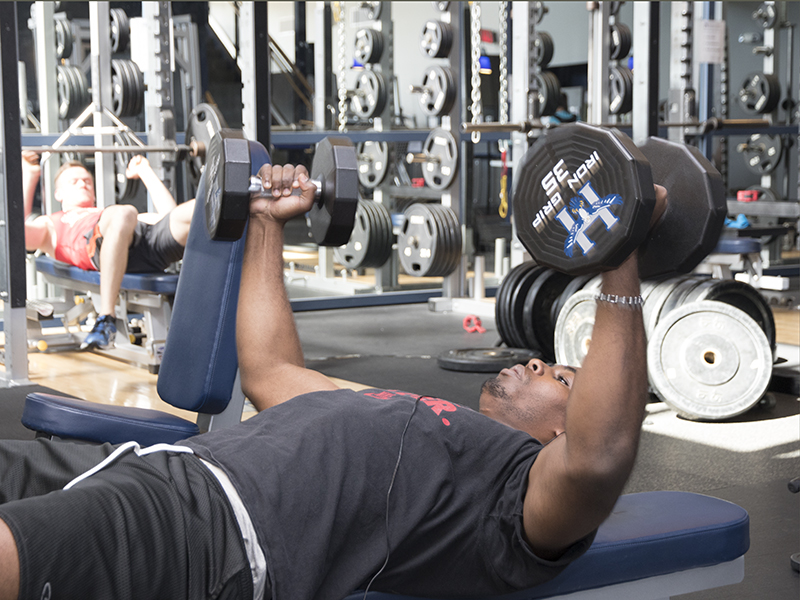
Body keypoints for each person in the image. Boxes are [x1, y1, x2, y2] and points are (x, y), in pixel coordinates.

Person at [0, 163, 665, 600]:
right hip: (156, 468)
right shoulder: (415, 414)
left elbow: (599, 454)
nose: (541, 362)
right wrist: (267, 221)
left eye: (566, 378)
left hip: (211, 531)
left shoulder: (511, 499)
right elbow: (270, 372)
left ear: (560, 432)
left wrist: (618, 252)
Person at [22, 152, 195, 350]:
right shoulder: (52, 223)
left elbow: (169, 217)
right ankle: (106, 319)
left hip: (144, 244)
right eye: (74, 181)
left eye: (87, 181)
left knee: (197, 209)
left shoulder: (105, 213)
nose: (82, 184)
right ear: (58, 194)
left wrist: (145, 172)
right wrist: (29, 175)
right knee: (125, 212)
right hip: (99, 247)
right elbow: (24, 237)